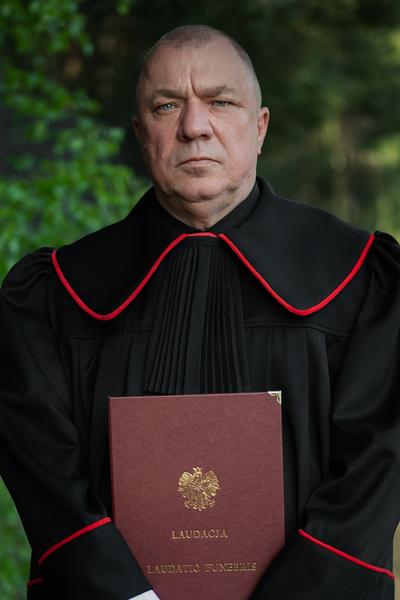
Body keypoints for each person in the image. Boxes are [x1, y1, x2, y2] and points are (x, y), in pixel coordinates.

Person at [0, 23, 399, 600]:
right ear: (141, 133)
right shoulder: (56, 294)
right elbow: (46, 477)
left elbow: (377, 470)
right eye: (167, 106)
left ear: (260, 127)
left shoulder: (359, 279)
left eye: (220, 102)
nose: (193, 126)